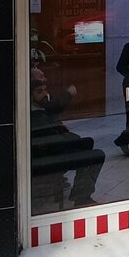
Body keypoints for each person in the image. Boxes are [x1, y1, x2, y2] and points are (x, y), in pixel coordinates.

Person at [30, 68, 104, 207]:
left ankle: (80, 191)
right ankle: (81, 197)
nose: (45, 94)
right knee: (97, 155)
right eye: (39, 92)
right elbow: (54, 141)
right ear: (30, 96)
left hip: (53, 149)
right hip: (49, 158)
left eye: (45, 90)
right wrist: (64, 134)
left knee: (87, 142)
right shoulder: (36, 115)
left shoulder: (41, 108)